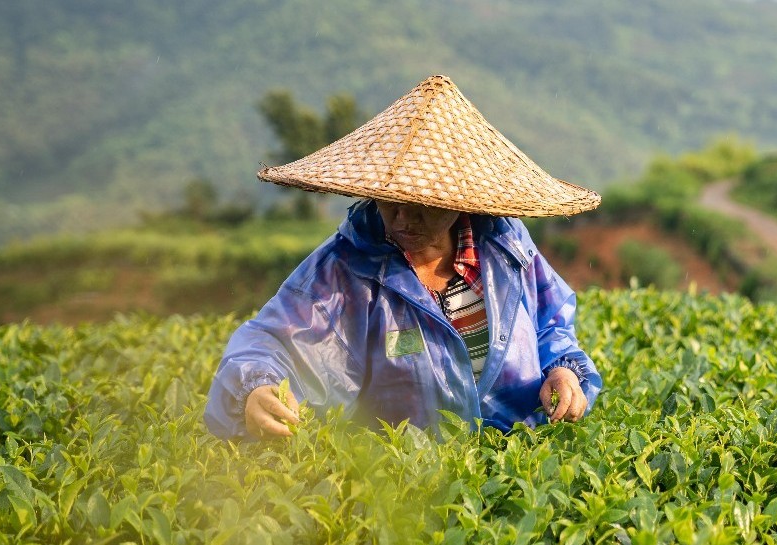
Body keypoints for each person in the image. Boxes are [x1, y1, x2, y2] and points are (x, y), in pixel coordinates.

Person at [204, 75, 603, 440]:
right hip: (408, 490)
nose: (402, 218)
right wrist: (257, 387)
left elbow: (551, 328)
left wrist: (564, 372)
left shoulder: (507, 247)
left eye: (423, 205)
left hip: (518, 471)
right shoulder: (344, 270)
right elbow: (272, 340)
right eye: (390, 201)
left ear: (460, 203)